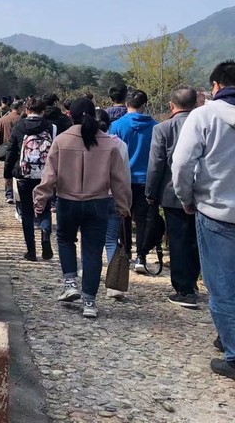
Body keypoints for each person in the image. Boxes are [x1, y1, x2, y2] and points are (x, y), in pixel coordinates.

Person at [34, 98, 131, 318]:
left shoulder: (61, 140)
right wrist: (123, 206)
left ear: (70, 115)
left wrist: (41, 199)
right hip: (98, 203)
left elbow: (49, 176)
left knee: (65, 240)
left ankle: (70, 284)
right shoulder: (108, 143)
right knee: (93, 251)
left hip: (67, 202)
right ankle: (89, 302)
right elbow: (120, 180)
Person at [172, 61, 235, 380]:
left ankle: (232, 352)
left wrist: (187, 198)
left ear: (215, 86)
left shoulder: (204, 116)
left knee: (222, 285)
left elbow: (182, 164)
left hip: (216, 211)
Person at [145, 86, 200, 308]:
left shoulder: (163, 128)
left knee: (178, 242)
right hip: (203, 194)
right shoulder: (204, 124)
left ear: (171, 105)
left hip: (172, 193)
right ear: (195, 104)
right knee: (197, 241)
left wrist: (150, 192)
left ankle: (184, 290)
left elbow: (156, 164)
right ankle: (193, 281)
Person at [109, 90, 158, 272]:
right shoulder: (156, 127)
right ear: (145, 105)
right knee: (144, 219)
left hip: (123, 178)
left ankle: (125, 252)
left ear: (126, 104)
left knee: (123, 216)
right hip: (146, 179)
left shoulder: (116, 126)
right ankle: (141, 257)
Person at [4, 97, 55, 261]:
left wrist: (7, 174)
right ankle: (45, 236)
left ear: (26, 110)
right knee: (45, 208)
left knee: (26, 213)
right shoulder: (51, 127)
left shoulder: (19, 126)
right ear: (43, 111)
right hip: (45, 176)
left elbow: (11, 152)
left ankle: (31, 252)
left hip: (24, 175)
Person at [96, 108, 131, 300]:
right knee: (111, 240)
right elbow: (124, 176)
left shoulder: (87, 142)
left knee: (91, 239)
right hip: (114, 197)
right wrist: (125, 202)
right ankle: (114, 286)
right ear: (110, 124)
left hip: (93, 197)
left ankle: (89, 273)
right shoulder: (120, 145)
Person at [0, 100, 23, 204]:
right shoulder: (21, 120)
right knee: (19, 172)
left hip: (7, 149)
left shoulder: (2, 120)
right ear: (19, 108)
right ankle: (19, 194)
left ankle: (9, 194)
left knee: (8, 171)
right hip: (20, 149)